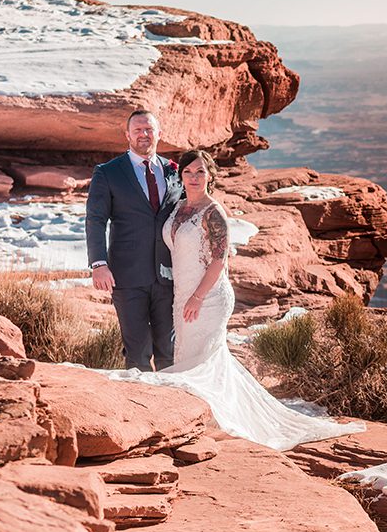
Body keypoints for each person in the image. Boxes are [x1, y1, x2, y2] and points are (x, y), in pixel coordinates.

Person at [95, 149, 362, 450]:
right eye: (188, 172)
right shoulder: (180, 207)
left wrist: (197, 297)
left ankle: (214, 421)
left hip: (207, 298)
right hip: (182, 295)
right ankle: (197, 419)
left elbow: (218, 261)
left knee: (204, 362)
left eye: (200, 172)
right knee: (188, 360)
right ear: (180, 176)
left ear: (211, 176)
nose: (194, 178)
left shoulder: (213, 212)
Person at [86, 109, 180, 371]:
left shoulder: (174, 172)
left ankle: (169, 407)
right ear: (127, 134)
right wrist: (98, 264)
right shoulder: (108, 172)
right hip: (126, 277)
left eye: (149, 129)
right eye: (138, 129)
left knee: (168, 351)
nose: (144, 134)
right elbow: (95, 220)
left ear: (159, 134)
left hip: (168, 275)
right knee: (138, 353)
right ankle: (144, 406)